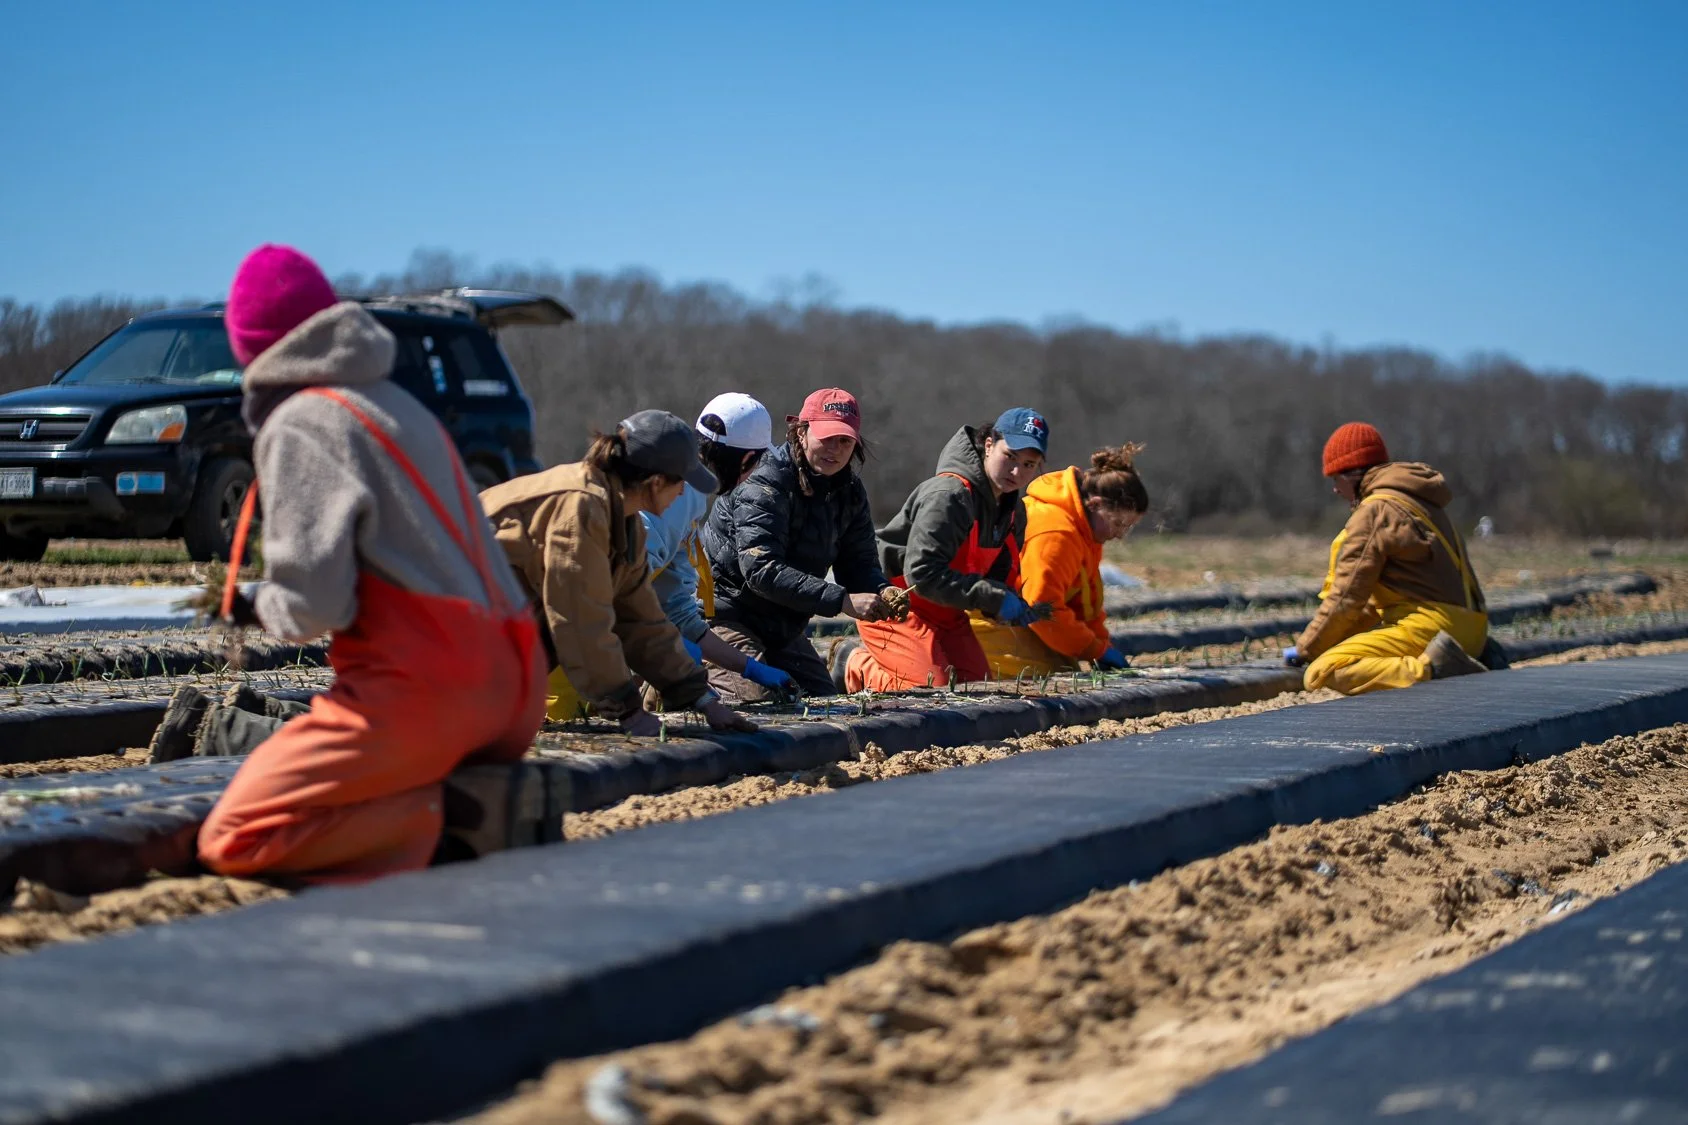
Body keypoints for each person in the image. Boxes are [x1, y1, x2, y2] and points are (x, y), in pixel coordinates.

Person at [184, 244, 550, 883]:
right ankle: (447, 811)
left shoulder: (301, 422)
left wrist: (246, 603)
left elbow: (314, 607)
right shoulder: (402, 406)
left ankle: (439, 819)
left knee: (236, 834)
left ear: (249, 349)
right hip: (515, 685)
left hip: (431, 690)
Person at [480, 411, 757, 734]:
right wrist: (628, 711)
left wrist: (699, 697)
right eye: (680, 482)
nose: (683, 493)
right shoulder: (581, 508)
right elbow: (581, 621)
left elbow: (641, 618)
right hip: (447, 628)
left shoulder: (623, 521)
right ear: (655, 483)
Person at [703, 388, 899, 701]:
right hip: (726, 618)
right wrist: (842, 601)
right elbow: (761, 570)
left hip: (782, 628)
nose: (835, 449)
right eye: (827, 437)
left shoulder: (850, 492)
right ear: (801, 432)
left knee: (824, 704)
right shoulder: (765, 480)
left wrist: (882, 589)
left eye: (845, 441)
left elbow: (858, 564)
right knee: (760, 705)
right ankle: (680, 676)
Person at [842, 409, 1051, 692]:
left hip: (946, 607)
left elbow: (998, 575)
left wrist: (1007, 605)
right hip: (896, 601)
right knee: (927, 689)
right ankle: (854, 664)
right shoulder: (950, 496)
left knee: (977, 688)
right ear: (989, 445)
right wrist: (990, 597)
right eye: (1010, 456)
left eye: (1029, 464)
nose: (1016, 471)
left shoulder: (1013, 512)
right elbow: (921, 574)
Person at [1284, 422, 1489, 695]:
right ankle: (1474, 658)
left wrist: (1305, 650)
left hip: (1433, 630)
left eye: (1336, 479)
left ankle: (1436, 668)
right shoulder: (1422, 503)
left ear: (1353, 473)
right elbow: (1369, 604)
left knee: (1323, 670)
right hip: (1474, 630)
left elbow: (1346, 598)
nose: (1335, 489)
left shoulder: (1375, 511)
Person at [640, 393, 795, 698]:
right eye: (758, 463)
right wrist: (665, 650)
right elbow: (610, 599)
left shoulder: (688, 495)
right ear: (747, 459)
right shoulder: (677, 498)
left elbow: (681, 615)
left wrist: (749, 667)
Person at [971, 443, 1147, 678]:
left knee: (1063, 669)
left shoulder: (1086, 533)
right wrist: (1093, 649)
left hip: (1018, 617)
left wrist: (1102, 646)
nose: (1120, 534)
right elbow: (1041, 603)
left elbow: (1085, 603)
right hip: (985, 616)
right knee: (1043, 675)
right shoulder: (1056, 532)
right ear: (1094, 504)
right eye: (1118, 524)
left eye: (1128, 527)